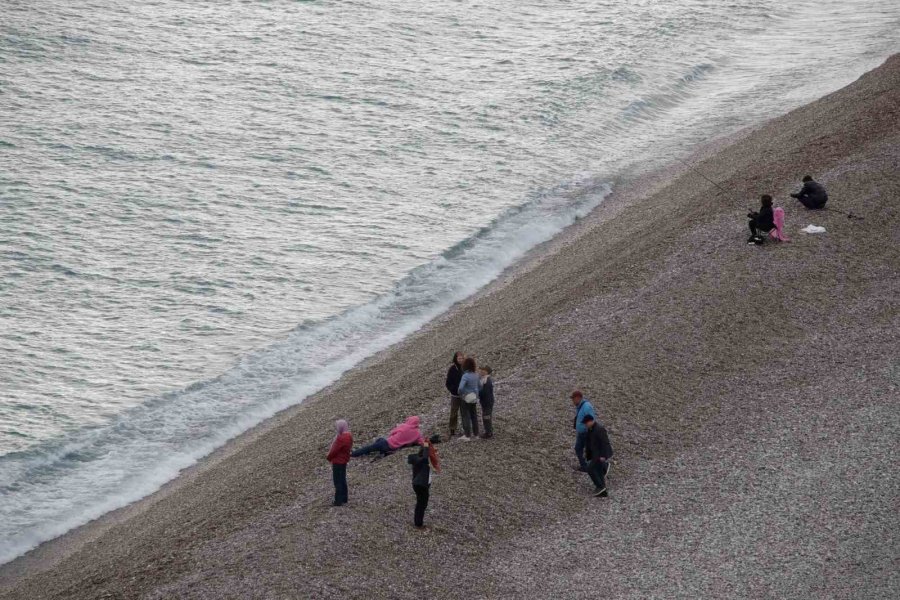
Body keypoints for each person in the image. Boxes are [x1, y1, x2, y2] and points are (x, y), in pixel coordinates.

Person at [407, 435, 441, 528]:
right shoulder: (424, 460)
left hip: (417, 483)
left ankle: (417, 522)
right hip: (422, 485)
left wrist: (429, 442)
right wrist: (426, 443)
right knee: (422, 504)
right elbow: (426, 454)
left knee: (420, 503)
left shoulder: (417, 458)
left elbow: (427, 452)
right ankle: (418, 524)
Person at [351, 416, 424, 457]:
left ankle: (353, 454)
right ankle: (381, 452)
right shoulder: (417, 433)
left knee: (369, 447)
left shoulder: (403, 426)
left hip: (387, 443)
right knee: (379, 440)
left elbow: (392, 433)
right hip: (394, 448)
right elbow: (422, 442)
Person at [582, 414, 614, 497]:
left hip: (599, 455)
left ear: (590, 421)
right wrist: (588, 455)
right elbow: (589, 443)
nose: (585, 425)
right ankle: (603, 491)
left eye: (586, 423)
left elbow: (605, 443)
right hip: (595, 455)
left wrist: (604, 456)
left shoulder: (599, 429)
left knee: (590, 468)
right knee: (598, 471)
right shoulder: (591, 429)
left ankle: (600, 486)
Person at [326, 419, 352, 506]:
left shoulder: (340, 438)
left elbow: (334, 450)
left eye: (337, 426)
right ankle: (344, 498)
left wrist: (328, 457)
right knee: (343, 479)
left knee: (337, 481)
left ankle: (338, 501)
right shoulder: (349, 436)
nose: (336, 428)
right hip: (344, 460)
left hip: (338, 462)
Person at [457, 357, 481, 441]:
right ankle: (476, 434)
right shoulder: (476, 375)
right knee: (474, 416)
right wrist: (476, 394)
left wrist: (462, 394)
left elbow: (460, 388)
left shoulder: (465, 376)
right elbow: (480, 386)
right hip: (474, 398)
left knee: (465, 416)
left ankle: (467, 435)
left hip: (466, 398)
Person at [571, 390, 596, 472]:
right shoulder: (580, 406)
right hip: (581, 433)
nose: (572, 401)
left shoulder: (586, 407)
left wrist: (589, 432)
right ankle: (585, 466)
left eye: (573, 399)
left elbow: (591, 420)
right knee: (578, 448)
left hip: (586, 433)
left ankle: (599, 467)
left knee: (590, 452)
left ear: (578, 398)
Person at [446, 352, 465, 438]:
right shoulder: (452, 369)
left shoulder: (465, 368)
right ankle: (452, 429)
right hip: (455, 395)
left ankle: (466, 428)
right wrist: (453, 390)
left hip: (464, 395)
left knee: (465, 412)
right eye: (459, 358)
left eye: (462, 358)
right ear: (455, 359)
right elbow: (448, 383)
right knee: (453, 413)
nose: (460, 360)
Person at [478, 365, 495, 438]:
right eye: (481, 369)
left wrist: (477, 393)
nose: (481, 371)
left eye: (483, 370)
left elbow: (484, 392)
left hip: (487, 402)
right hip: (487, 401)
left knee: (486, 416)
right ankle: (489, 430)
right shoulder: (484, 379)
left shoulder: (487, 381)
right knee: (487, 416)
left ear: (487, 372)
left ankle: (488, 433)